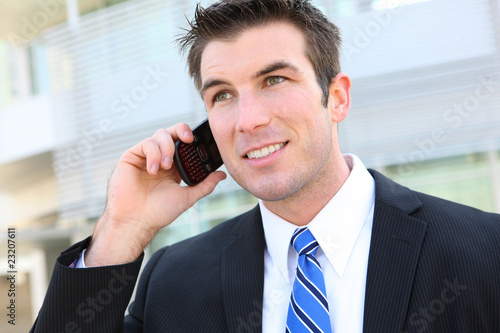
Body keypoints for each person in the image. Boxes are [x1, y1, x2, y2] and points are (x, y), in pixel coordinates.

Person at [31, 0, 500, 332]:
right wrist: (122, 228)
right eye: (223, 95)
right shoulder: (174, 280)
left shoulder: (485, 253)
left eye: (274, 79)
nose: (248, 119)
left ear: (336, 98)